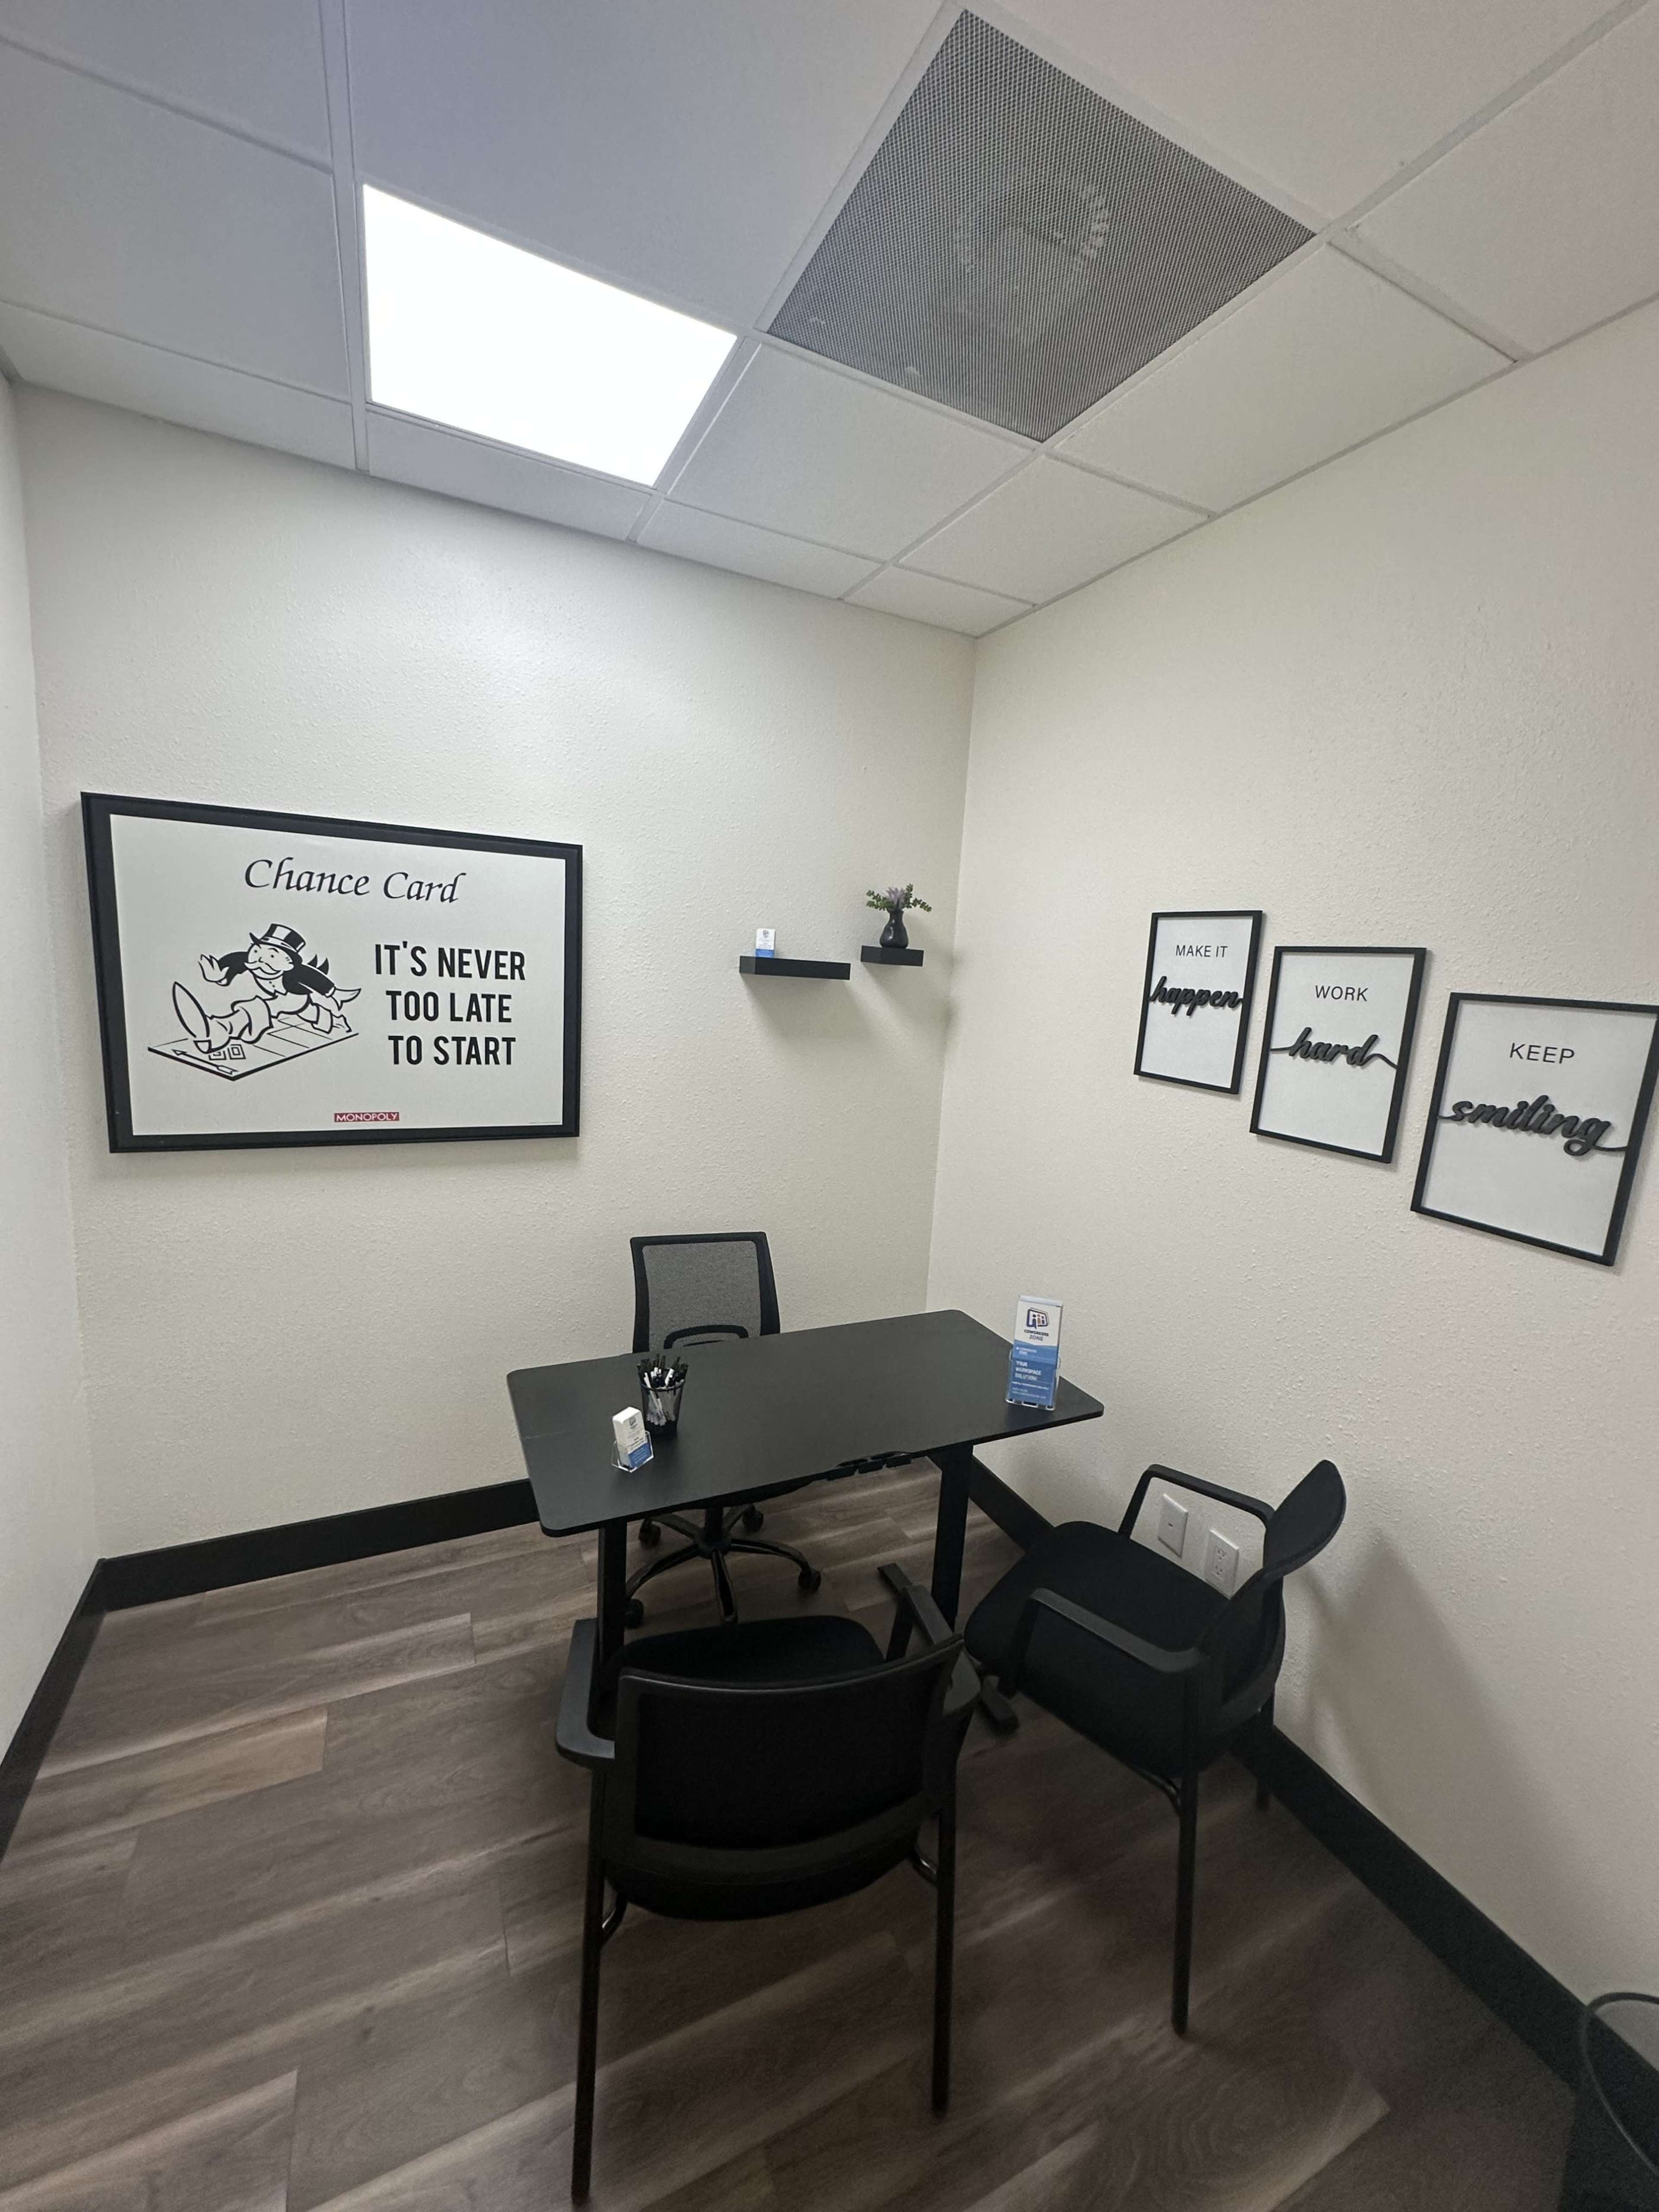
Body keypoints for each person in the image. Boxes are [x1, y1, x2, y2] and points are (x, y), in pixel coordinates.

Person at [172, 922, 359, 1055]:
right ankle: (336, 1022)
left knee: (259, 1008)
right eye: (257, 951)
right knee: (310, 1013)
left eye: (272, 955)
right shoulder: (250, 960)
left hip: (293, 996)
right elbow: (234, 962)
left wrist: (335, 993)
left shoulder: (296, 973)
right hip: (283, 998)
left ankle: (222, 1030)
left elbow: (316, 979)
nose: (260, 959)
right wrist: (220, 976)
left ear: (289, 963)